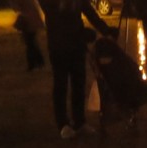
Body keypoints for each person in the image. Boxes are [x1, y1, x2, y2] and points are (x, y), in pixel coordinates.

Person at [38, 0, 117, 139]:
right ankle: (63, 124)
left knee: (78, 83)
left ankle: (79, 122)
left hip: (76, 45)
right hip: (59, 46)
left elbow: (89, 11)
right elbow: (55, 18)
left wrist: (106, 29)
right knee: (61, 85)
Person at [13, 0, 46, 71]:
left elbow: (17, 8)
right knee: (31, 42)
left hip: (28, 22)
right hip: (32, 20)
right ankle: (39, 61)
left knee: (30, 43)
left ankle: (33, 63)